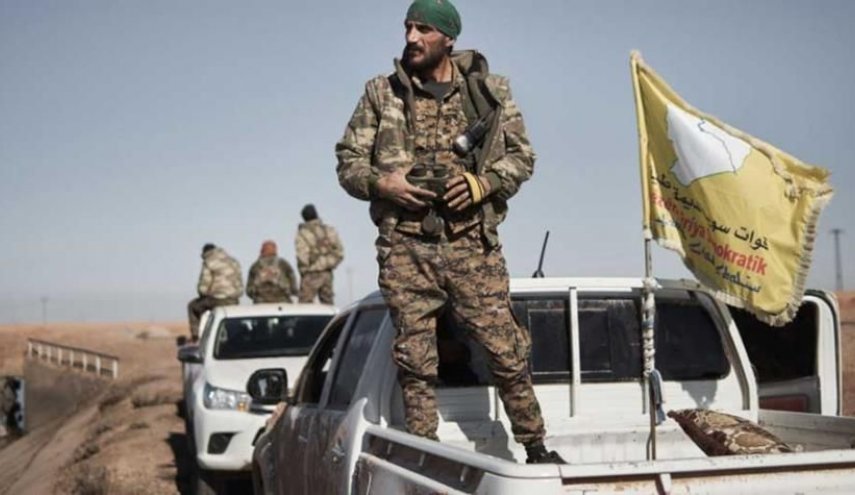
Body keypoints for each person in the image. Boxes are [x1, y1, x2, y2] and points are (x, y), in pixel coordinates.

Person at [335, 0, 564, 464]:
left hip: (471, 245)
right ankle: (425, 454)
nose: (412, 37)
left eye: (423, 29)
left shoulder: (489, 93)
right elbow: (348, 162)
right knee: (415, 360)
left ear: (448, 37)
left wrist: (486, 183)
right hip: (405, 246)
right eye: (408, 27)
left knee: (505, 349)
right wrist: (383, 183)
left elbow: (522, 157)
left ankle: (536, 447)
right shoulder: (381, 93)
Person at [186, 243, 243, 340]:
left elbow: (204, 285)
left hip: (216, 299)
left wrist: (202, 294)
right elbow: (239, 283)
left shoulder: (209, 261)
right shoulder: (233, 261)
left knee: (192, 306)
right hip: (233, 299)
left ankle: (196, 336)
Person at [295, 204, 344, 304]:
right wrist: (327, 263)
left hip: (310, 274)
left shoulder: (302, 233)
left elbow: (302, 257)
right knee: (328, 305)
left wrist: (308, 267)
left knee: (304, 307)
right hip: (327, 274)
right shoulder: (329, 230)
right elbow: (339, 252)